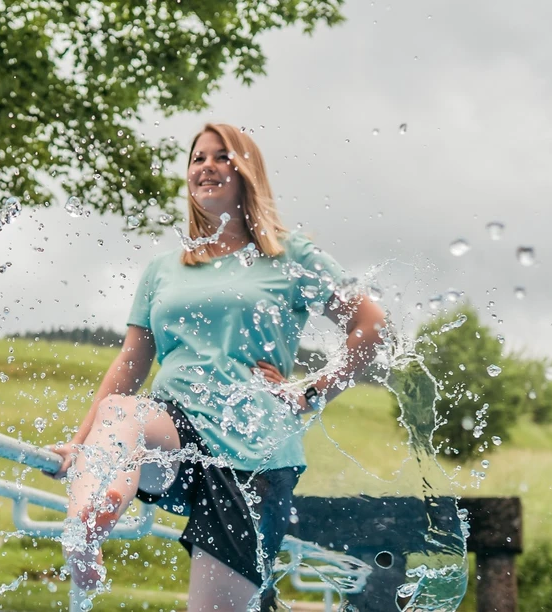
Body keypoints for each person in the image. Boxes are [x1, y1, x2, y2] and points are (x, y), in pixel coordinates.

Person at [44, 123, 389, 611]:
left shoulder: (291, 256)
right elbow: (130, 363)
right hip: (177, 430)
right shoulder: (165, 269)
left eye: (222, 156)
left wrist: (310, 392)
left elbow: (371, 328)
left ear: (247, 171)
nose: (206, 166)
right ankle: (86, 529)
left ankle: (94, 521)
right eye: (197, 158)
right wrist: (79, 446)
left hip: (254, 455)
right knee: (123, 412)